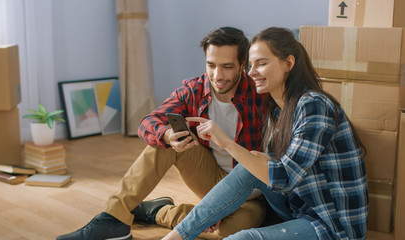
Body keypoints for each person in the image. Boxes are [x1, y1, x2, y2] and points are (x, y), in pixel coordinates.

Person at [57, 26, 268, 240]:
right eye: (211, 65)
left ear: (243, 65)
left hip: (252, 194)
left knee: (233, 231)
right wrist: (167, 136)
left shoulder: (261, 95)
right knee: (166, 141)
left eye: (227, 67)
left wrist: (218, 207)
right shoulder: (195, 90)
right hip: (213, 179)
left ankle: (158, 212)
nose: (217, 75)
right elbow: (149, 122)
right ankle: (113, 218)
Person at [163, 27, 369, 240]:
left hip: (331, 224)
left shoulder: (314, 106)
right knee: (250, 164)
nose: (251, 73)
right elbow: (272, 164)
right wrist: (218, 208)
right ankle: (175, 237)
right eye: (251, 65)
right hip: (298, 208)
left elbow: (284, 177)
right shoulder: (277, 110)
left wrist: (226, 143)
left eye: (261, 63)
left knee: (242, 238)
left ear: (288, 64)